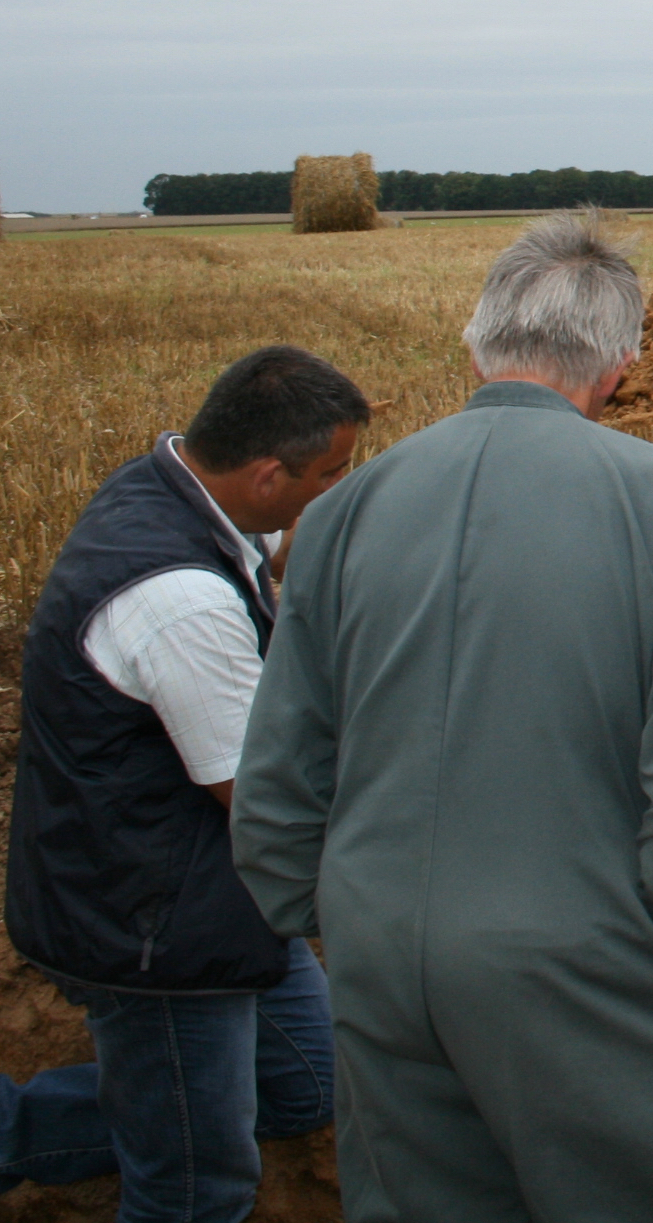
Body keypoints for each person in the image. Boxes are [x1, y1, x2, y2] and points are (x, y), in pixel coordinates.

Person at [230, 212, 653, 1223]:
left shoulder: (344, 512)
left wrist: (335, 913)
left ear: (474, 342)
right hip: (583, 958)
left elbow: (275, 772)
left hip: (380, 954)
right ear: (619, 365)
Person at [6, 345, 366, 1222]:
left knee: (306, 1083)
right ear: (267, 472)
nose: (340, 491)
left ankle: (86, 1121)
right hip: (158, 932)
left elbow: (275, 541)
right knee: (199, 1187)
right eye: (332, 474)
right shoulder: (179, 599)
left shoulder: (173, 484)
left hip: (208, 894)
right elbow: (268, 802)